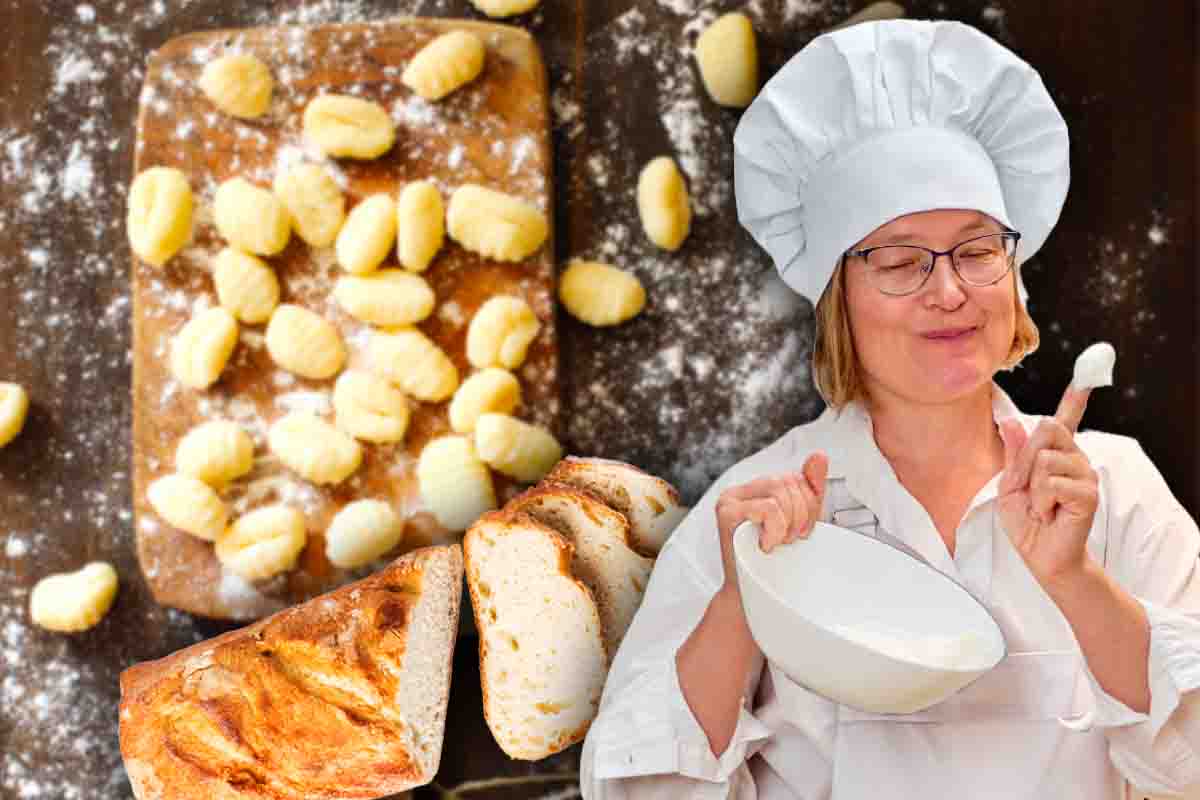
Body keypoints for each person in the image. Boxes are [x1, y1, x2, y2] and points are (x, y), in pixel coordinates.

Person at [579, 18, 1200, 800]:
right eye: (901, 262)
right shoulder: (753, 513)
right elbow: (635, 790)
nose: (950, 292)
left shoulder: (1108, 488)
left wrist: (1074, 580)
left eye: (977, 252)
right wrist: (745, 602)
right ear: (840, 301)